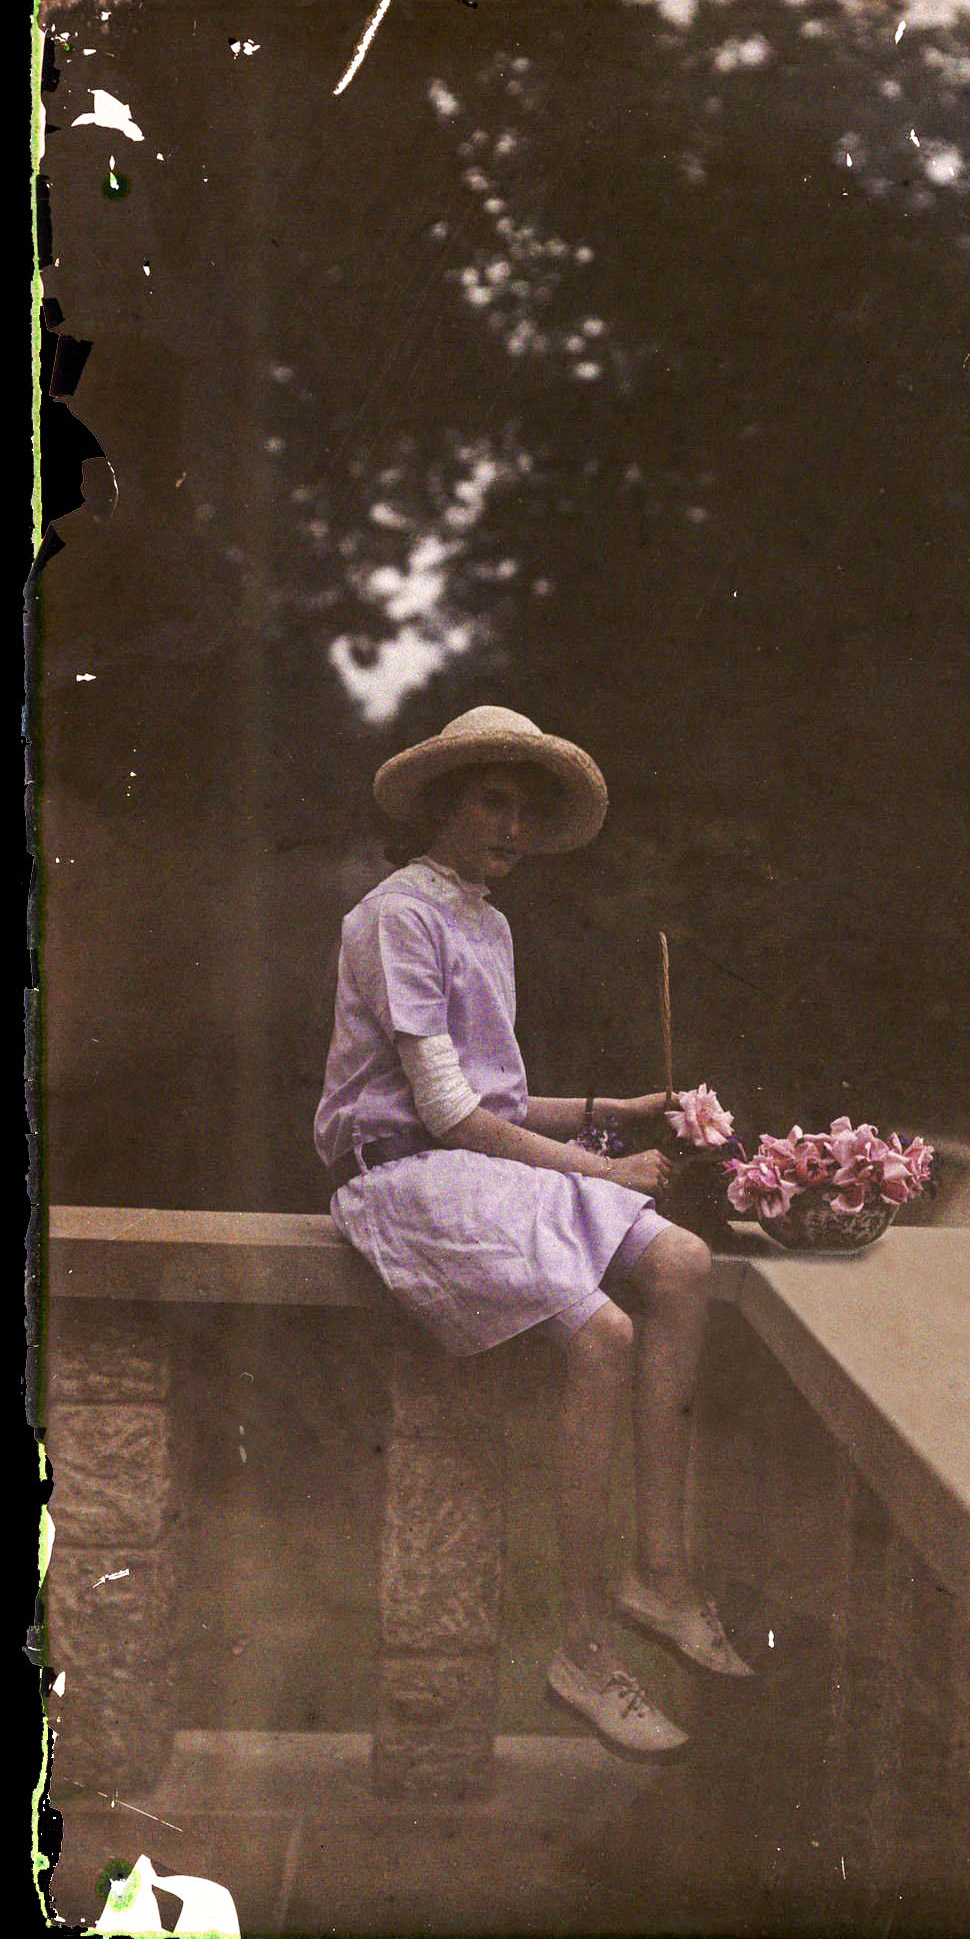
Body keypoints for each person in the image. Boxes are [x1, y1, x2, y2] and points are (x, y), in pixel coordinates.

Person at [314, 706, 753, 1758]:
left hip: (479, 1164)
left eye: (525, 809)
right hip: (406, 1176)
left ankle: (658, 1569)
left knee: (685, 1261)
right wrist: (606, 1167)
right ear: (442, 804)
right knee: (602, 1334)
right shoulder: (394, 917)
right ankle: (583, 1647)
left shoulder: (488, 922)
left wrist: (624, 1108)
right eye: (492, 801)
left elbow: (496, 1106)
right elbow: (447, 1115)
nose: (512, 827)